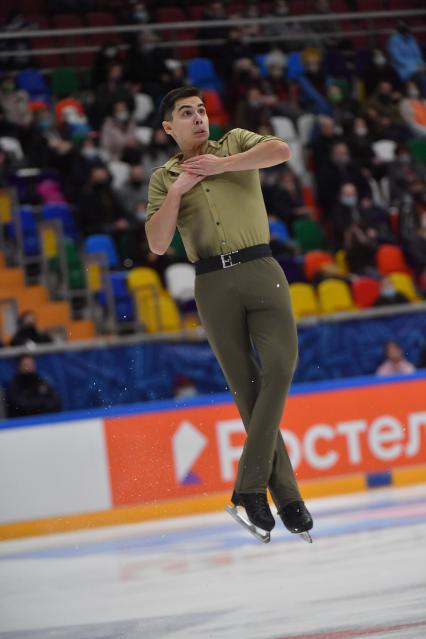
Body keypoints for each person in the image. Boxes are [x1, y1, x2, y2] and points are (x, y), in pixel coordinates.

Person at [145, 86, 313, 540]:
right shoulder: (163, 177)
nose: (198, 118)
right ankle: (289, 499)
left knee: (280, 368)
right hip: (211, 283)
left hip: (261, 267)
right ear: (168, 128)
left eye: (200, 110)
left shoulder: (236, 141)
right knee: (248, 388)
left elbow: (280, 150)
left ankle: (249, 488)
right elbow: (158, 243)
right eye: (186, 113)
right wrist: (180, 188)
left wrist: (221, 165)